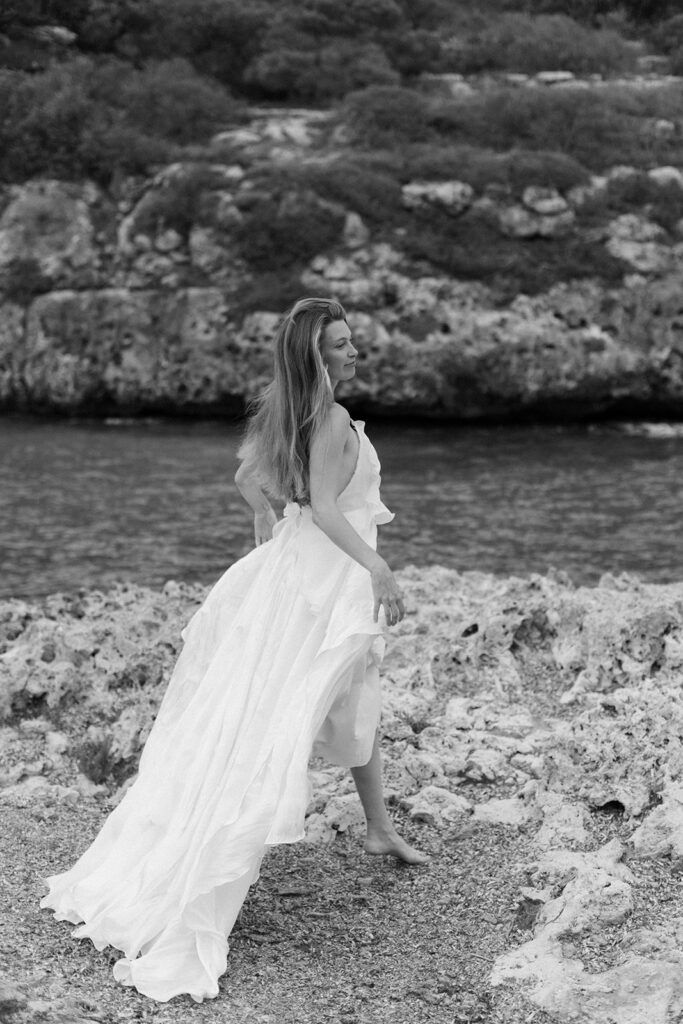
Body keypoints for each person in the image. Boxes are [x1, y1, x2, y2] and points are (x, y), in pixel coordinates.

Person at [40, 296, 427, 1004]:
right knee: (285, 719)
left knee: (348, 695)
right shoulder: (329, 417)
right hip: (327, 577)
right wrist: (375, 568)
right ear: (315, 353)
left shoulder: (284, 406)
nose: (354, 352)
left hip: (294, 571)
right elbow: (331, 507)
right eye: (341, 344)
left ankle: (378, 827)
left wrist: (265, 513)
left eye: (352, 342)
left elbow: (251, 477)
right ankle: (229, 854)